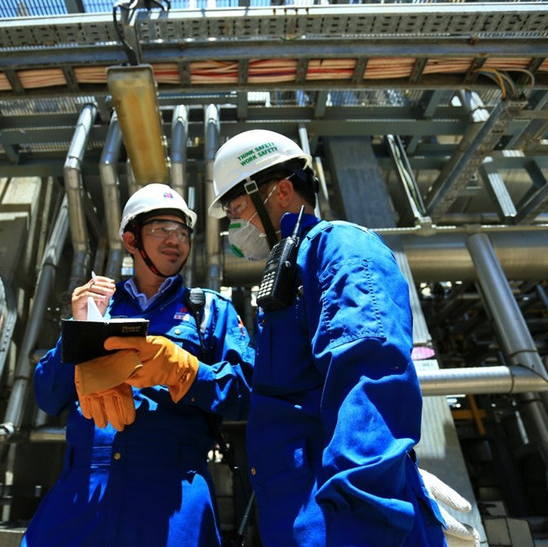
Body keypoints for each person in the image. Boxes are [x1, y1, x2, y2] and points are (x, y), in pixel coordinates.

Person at [207, 129, 449, 546]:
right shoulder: (289, 270)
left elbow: (369, 374)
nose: (233, 226)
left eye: (238, 209)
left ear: (281, 191)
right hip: (303, 512)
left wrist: (370, 502)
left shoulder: (339, 247)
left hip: (344, 522)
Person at [22, 183, 255, 546]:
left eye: (182, 232)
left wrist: (187, 372)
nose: (175, 240)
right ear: (131, 241)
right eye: (161, 229)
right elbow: (47, 397)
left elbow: (248, 393)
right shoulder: (100, 306)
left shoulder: (209, 310)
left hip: (173, 491)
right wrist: (78, 334)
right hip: (83, 494)